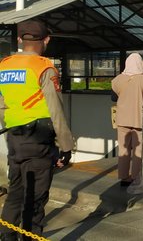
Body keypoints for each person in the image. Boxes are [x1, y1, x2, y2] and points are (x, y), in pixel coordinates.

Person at [0, 20, 75, 239]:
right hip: (39, 142)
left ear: (19, 40)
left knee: (14, 194)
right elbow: (56, 111)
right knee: (36, 199)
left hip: (14, 139)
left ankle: (6, 236)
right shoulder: (44, 67)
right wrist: (66, 146)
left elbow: (2, 106)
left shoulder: (4, 65)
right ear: (46, 40)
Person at [111, 53, 143, 187]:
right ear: (140, 64)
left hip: (122, 118)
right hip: (138, 119)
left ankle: (124, 177)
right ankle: (136, 177)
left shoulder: (117, 80)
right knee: (138, 150)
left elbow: (113, 98)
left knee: (123, 150)